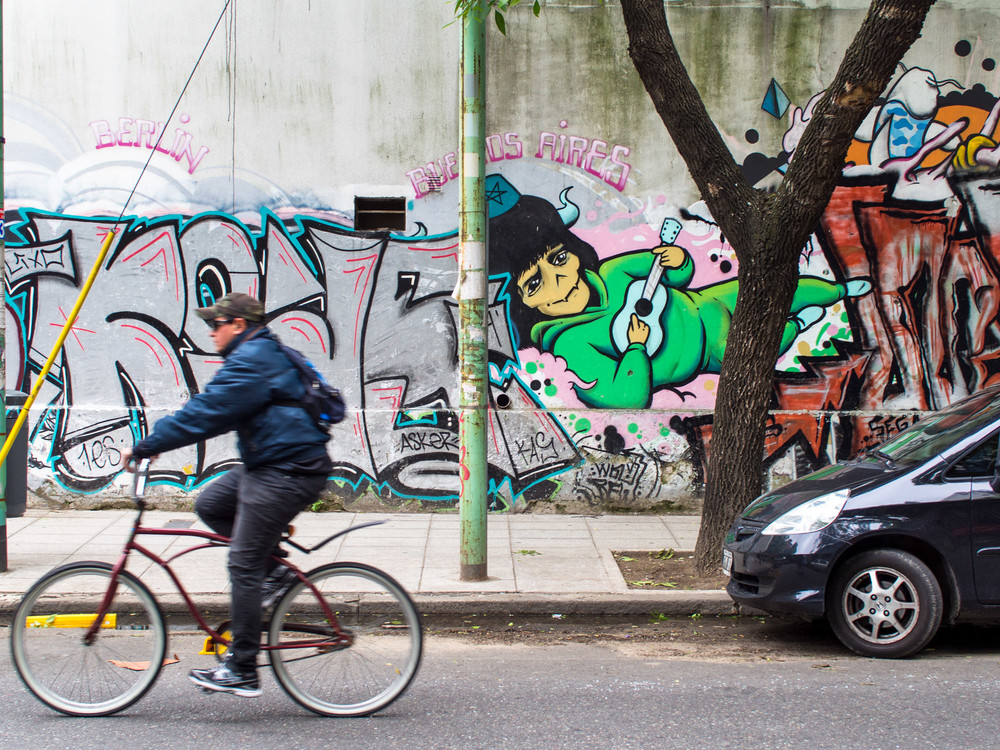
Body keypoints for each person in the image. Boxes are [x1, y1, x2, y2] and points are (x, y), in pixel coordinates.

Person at [486, 174, 872, 409]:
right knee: (762, 340)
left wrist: (676, 258)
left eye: (558, 260)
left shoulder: (614, 270)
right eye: (534, 283)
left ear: (573, 252)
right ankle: (799, 323)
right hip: (710, 349)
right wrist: (636, 348)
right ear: (520, 302)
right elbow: (626, 398)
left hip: (708, 302)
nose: (560, 281)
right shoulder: (570, 344)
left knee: (778, 288)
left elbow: (679, 273)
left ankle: (837, 290)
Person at [123, 292, 333, 698]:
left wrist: (146, 446)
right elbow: (209, 411)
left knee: (242, 562)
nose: (210, 331)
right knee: (211, 503)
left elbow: (205, 414)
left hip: (289, 471)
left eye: (215, 324)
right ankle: (274, 571)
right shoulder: (255, 355)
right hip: (273, 464)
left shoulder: (253, 360)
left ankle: (241, 669)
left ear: (238, 325)